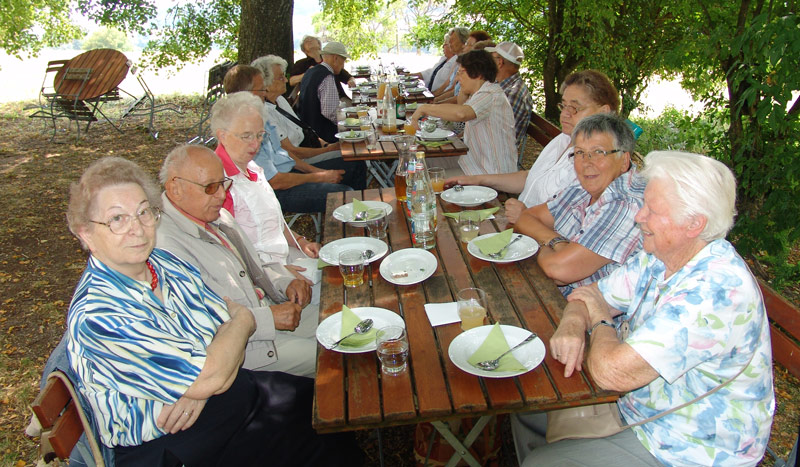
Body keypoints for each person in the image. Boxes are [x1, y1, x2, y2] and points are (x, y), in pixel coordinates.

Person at [65, 157, 360, 465]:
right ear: (85, 233)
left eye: (143, 212)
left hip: (221, 400)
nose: (136, 228)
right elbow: (220, 352)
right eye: (117, 219)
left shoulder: (163, 265)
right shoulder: (100, 314)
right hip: (176, 444)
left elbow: (221, 325)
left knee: (320, 408)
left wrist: (202, 383)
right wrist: (236, 330)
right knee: (319, 436)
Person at [513, 151, 775, 467]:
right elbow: (591, 293)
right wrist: (571, 324)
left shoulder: (714, 292)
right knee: (524, 405)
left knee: (541, 465)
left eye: (652, 210)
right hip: (644, 409)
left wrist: (597, 319)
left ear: (693, 224)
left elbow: (611, 371)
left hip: (691, 447)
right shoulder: (661, 256)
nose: (640, 216)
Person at [157, 145, 320, 378]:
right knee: (334, 356)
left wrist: (285, 282)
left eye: (223, 183)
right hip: (248, 350)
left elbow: (253, 267)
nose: (222, 195)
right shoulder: (166, 246)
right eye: (210, 187)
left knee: (344, 322)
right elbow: (198, 322)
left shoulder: (215, 215)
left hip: (267, 314)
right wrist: (268, 318)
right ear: (175, 188)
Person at [446, 69, 620, 223]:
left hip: (538, 237)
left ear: (603, 112)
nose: (565, 114)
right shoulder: (564, 139)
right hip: (519, 222)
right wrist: (479, 179)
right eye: (564, 105)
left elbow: (576, 221)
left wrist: (527, 215)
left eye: (575, 108)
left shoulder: (598, 162)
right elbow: (533, 177)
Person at [515, 114, 644, 295]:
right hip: (555, 293)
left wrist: (539, 243)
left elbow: (559, 271)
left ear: (624, 161)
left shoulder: (625, 204)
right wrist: (556, 242)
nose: (586, 163)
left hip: (591, 314)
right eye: (580, 153)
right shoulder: (585, 184)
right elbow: (526, 217)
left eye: (599, 152)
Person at [210, 91, 322, 281]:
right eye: (246, 136)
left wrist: (301, 242)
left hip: (286, 257)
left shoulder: (252, 167)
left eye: (260, 135)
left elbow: (274, 221)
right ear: (223, 135)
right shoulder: (218, 184)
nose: (255, 144)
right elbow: (229, 254)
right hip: (263, 277)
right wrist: (278, 274)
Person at [223, 65, 363, 214]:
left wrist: (318, 172)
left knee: (355, 163)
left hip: (288, 173)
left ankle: (357, 217)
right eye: (262, 89)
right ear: (246, 93)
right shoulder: (243, 130)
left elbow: (285, 155)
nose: (265, 94)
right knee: (344, 194)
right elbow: (275, 182)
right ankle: (352, 225)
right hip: (273, 192)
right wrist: (317, 177)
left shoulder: (260, 115)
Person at [410, 49, 517, 177]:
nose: (456, 78)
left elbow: (461, 114)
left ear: (477, 74)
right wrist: (465, 88)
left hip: (490, 172)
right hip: (474, 163)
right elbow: (461, 105)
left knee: (427, 176)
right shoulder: (481, 92)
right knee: (419, 160)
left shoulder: (489, 94)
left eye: (461, 72)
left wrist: (424, 108)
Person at [252, 54, 346, 164]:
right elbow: (291, 151)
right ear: (266, 83)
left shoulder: (280, 100)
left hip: (309, 149)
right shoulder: (265, 111)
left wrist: (325, 144)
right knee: (352, 159)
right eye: (281, 77)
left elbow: (303, 129)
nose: (286, 80)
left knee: (350, 152)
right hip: (298, 162)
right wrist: (327, 149)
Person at [297, 41, 352, 143]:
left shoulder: (311, 71)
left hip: (308, 128)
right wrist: (351, 121)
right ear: (335, 58)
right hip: (322, 134)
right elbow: (330, 113)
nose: (343, 66)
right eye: (343, 61)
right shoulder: (327, 76)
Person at [487, 41, 533, 150]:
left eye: (492, 59)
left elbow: (498, 138)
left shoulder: (513, 93)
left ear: (499, 62)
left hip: (494, 158)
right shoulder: (502, 86)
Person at [433, 30, 491, 104]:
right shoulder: (459, 63)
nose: (464, 46)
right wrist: (435, 100)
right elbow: (453, 90)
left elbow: (463, 109)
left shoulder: (476, 74)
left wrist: (436, 104)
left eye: (468, 44)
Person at [288, 35, 355, 96]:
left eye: (311, 39)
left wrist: (351, 81)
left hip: (338, 96)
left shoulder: (329, 60)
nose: (309, 40)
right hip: (319, 100)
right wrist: (308, 74)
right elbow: (291, 81)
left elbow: (348, 77)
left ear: (319, 45)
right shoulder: (301, 64)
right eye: (306, 41)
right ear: (304, 50)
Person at [431, 27, 470, 97]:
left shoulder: (468, 63)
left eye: (453, 40)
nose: (449, 43)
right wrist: (433, 96)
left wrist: (435, 100)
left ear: (463, 41)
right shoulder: (457, 61)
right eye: (449, 40)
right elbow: (447, 84)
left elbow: (454, 91)